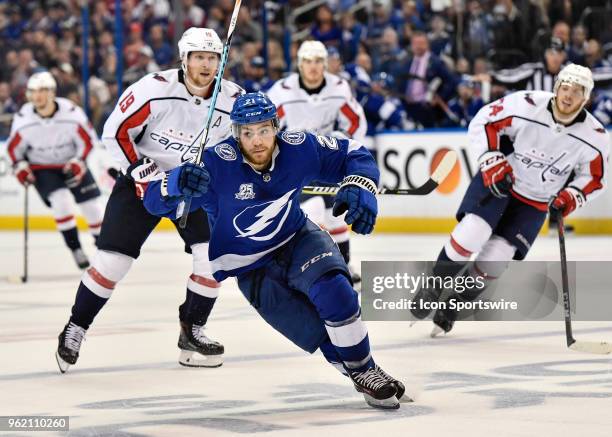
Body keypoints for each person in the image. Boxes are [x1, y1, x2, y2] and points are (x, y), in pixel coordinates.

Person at [142, 91, 411, 410]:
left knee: (337, 294)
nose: (257, 140)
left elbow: (353, 152)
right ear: (235, 133)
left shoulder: (299, 147)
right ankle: (363, 371)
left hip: (298, 239)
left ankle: (367, 371)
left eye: (264, 130)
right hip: (250, 267)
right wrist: (173, 183)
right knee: (314, 331)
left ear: (276, 127)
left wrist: (361, 185)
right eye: (247, 132)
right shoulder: (214, 165)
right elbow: (153, 202)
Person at [54, 27, 243, 373]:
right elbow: (115, 132)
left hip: (195, 186)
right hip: (145, 181)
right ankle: (76, 327)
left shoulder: (233, 100)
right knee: (112, 264)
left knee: (211, 258)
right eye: (198, 57)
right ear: (183, 59)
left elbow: (243, 147)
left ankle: (192, 331)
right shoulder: (152, 91)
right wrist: (141, 169)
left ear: (221, 61)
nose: (205, 65)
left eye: (212, 58)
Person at [410, 64, 609, 336]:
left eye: (577, 91)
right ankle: (434, 285)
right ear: (556, 88)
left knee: (495, 260)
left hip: (535, 202)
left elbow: (595, 177)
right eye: (565, 87)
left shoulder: (595, 136)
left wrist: (572, 196)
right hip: (501, 180)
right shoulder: (526, 104)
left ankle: (452, 306)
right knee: (472, 233)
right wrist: (491, 159)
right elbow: (484, 122)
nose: (568, 95)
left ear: (586, 98)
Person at [266, 40, 367, 287]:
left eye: (318, 62)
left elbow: (356, 123)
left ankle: (343, 264)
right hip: (295, 163)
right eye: (308, 62)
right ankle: (302, 267)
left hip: (326, 159)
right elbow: (265, 127)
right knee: (310, 214)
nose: (313, 67)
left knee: (336, 217)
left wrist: (344, 148)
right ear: (300, 64)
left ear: (326, 64)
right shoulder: (282, 91)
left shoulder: (339, 88)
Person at [6, 71, 104, 269]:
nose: (37, 96)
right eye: (33, 91)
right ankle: (75, 248)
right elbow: (13, 150)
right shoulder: (23, 118)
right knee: (61, 202)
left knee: (92, 207)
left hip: (71, 164)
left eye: (42, 90)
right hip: (43, 168)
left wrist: (79, 161)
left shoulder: (72, 113)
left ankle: (104, 249)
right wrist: (20, 167)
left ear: (52, 92)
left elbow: (88, 141)